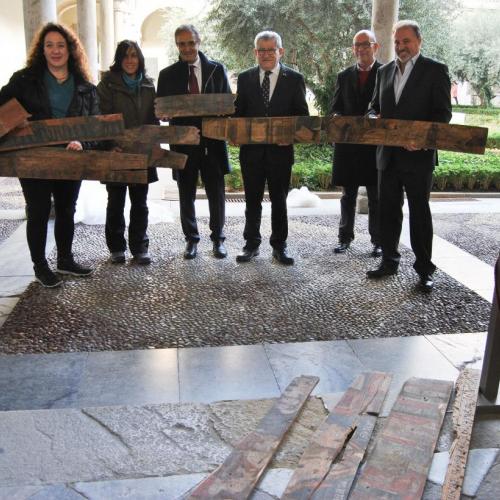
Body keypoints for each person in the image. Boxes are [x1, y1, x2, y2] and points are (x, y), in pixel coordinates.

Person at [0, 23, 98, 288]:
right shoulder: (23, 80)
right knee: (39, 211)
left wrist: (83, 142)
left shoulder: (85, 87)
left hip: (70, 157)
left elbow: (94, 123)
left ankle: (65, 260)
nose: (55, 51)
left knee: (67, 210)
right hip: (33, 159)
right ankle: (40, 266)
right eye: (49, 45)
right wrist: (16, 123)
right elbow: (2, 110)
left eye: (61, 45)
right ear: (42, 50)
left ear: (70, 50)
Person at [366, 20, 452, 292]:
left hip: (419, 158)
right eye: (398, 42)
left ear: (419, 41)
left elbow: (443, 115)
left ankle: (424, 269)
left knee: (419, 214)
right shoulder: (384, 72)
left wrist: (423, 141)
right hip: (388, 157)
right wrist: (372, 118)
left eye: (406, 41)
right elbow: (372, 108)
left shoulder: (436, 71)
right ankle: (389, 261)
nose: (401, 46)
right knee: (388, 212)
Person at [156, 24, 231, 260]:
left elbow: (228, 104)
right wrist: (164, 115)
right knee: (185, 194)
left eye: (191, 42)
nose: (187, 48)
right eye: (182, 43)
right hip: (183, 145)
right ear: (177, 45)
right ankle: (191, 240)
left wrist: (224, 112)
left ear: (199, 42)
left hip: (213, 144)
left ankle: (218, 239)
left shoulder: (217, 70)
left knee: (216, 194)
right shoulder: (167, 75)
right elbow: (162, 108)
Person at [234, 31, 309, 265]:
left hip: (281, 152)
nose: (266, 54)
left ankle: (279, 245)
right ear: (255, 53)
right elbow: (238, 113)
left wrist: (293, 137)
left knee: (279, 200)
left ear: (280, 51)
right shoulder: (245, 78)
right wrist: (233, 132)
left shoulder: (294, 79)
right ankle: (251, 244)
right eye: (262, 50)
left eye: (271, 49)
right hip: (251, 153)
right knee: (251, 200)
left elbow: (302, 117)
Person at [97, 40, 158, 265]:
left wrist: (154, 140)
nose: (130, 60)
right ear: (119, 60)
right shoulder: (107, 84)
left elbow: (153, 118)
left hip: (142, 153)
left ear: (140, 59)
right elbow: (101, 117)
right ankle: (116, 248)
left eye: (134, 56)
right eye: (125, 56)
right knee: (116, 201)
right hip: (116, 151)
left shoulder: (149, 85)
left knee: (140, 202)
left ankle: (139, 247)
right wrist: (110, 144)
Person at [330, 29, 382, 257]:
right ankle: (344, 238)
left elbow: (384, 105)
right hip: (348, 146)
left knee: (376, 197)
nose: (361, 49)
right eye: (357, 45)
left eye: (365, 44)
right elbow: (335, 106)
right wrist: (336, 117)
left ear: (375, 47)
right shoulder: (343, 75)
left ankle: (378, 241)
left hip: (373, 146)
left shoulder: (386, 72)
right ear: (353, 50)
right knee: (347, 195)